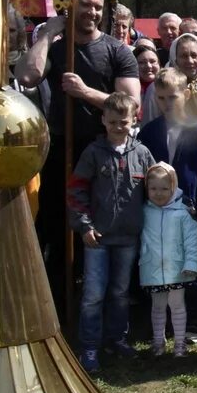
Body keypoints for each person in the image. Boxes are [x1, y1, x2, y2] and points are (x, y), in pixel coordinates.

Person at [16, 0, 140, 307]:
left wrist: (86, 93)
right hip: (62, 150)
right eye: (85, 6)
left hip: (103, 150)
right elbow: (27, 77)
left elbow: (132, 104)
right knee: (59, 230)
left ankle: (102, 306)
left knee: (100, 230)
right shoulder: (57, 51)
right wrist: (48, 34)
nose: (93, 13)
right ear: (70, 8)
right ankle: (59, 305)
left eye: (98, 7)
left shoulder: (117, 51)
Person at [67, 91, 155, 373]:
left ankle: (116, 338)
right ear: (104, 120)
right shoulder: (93, 154)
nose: (119, 127)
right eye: (114, 121)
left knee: (119, 292)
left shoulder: (142, 154)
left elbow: (156, 188)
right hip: (98, 238)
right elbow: (76, 191)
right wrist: (84, 225)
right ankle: (90, 346)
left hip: (128, 237)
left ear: (133, 121)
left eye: (124, 122)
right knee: (94, 294)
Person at [138, 162, 197, 358]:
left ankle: (180, 343)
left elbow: (192, 241)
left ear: (173, 187)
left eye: (164, 189)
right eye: (153, 188)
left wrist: (191, 265)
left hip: (177, 270)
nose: (158, 193)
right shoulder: (144, 212)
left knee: (177, 306)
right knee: (157, 307)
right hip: (153, 268)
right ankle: (158, 341)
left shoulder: (182, 213)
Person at [134, 40, 162, 124]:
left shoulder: (168, 87)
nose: (148, 66)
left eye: (153, 61)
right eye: (142, 62)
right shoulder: (129, 89)